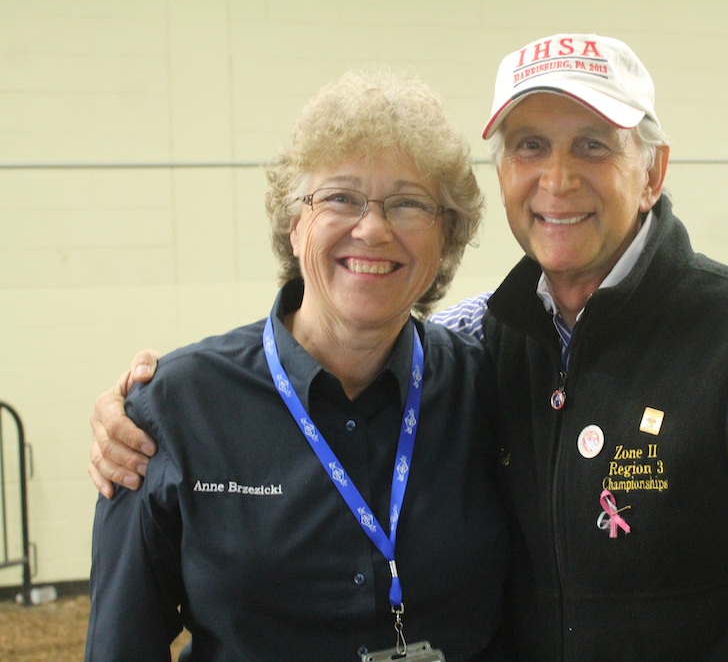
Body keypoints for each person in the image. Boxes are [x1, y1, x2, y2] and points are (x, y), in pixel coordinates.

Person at [90, 34, 728, 661]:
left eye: (593, 146)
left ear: (653, 169)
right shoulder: (479, 346)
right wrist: (140, 405)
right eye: (530, 145)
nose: (556, 178)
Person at [85, 69, 510, 662]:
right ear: (294, 223)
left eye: (409, 203)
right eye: (340, 197)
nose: (373, 228)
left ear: (448, 238)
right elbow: (121, 647)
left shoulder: (493, 393)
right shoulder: (174, 410)